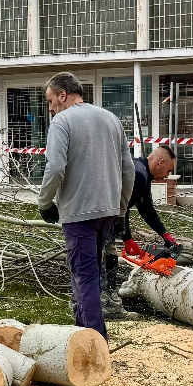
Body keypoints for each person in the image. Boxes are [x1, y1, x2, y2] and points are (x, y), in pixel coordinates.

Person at [37, 72, 133, 337]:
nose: (50, 108)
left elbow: (55, 167)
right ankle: (81, 332)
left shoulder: (62, 122)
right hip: (109, 210)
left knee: (85, 276)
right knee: (90, 274)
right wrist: (122, 209)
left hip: (78, 212)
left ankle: (94, 343)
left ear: (62, 95)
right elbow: (128, 170)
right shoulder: (111, 119)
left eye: (50, 100)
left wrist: (45, 203)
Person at [101, 145, 180, 317]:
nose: (167, 175)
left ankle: (102, 304)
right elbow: (123, 206)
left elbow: (147, 209)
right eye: (168, 170)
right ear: (160, 162)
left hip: (106, 216)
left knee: (106, 258)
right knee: (107, 260)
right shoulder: (138, 175)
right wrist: (128, 238)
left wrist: (165, 235)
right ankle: (106, 307)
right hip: (102, 216)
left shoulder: (143, 173)